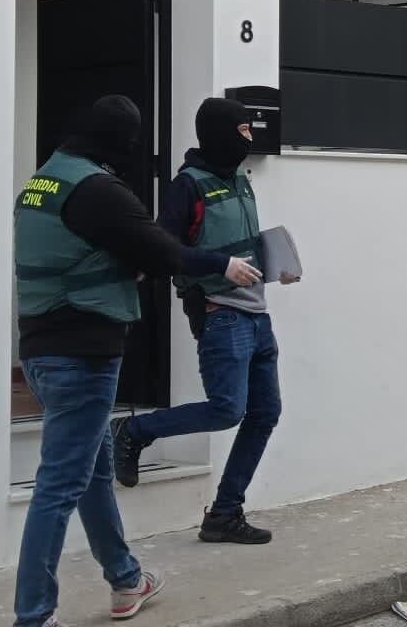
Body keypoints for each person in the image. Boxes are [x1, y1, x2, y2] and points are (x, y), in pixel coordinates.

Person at [8, 94, 263, 627]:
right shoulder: (97, 190)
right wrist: (211, 264)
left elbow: (93, 249)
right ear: (118, 142)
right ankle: (32, 623)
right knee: (60, 484)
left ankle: (126, 579)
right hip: (82, 352)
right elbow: (162, 248)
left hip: (45, 348)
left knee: (94, 469)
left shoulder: (42, 182)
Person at [112, 97, 295, 545]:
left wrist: (279, 264)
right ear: (219, 133)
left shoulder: (240, 181)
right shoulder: (187, 187)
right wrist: (219, 266)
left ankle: (225, 513)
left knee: (265, 412)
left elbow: (244, 242)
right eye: (243, 131)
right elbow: (163, 250)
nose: (249, 139)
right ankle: (133, 430)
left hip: (258, 316)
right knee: (226, 410)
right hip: (222, 317)